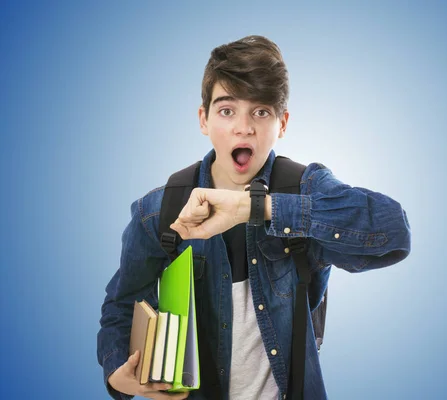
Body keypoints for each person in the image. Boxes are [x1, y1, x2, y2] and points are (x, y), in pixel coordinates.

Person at [97, 35, 411, 400]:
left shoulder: (305, 188)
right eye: (227, 110)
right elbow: (121, 306)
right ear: (204, 119)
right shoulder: (158, 212)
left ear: (283, 123)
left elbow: (393, 233)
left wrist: (259, 208)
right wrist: (118, 375)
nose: (243, 128)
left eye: (260, 112)